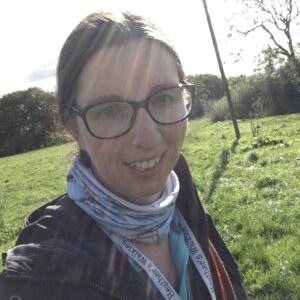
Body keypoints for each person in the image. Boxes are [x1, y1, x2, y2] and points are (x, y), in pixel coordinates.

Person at [0, 11, 247, 300]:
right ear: (73, 127)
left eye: (164, 97)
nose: (147, 137)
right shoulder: (43, 277)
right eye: (109, 110)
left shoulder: (183, 200)